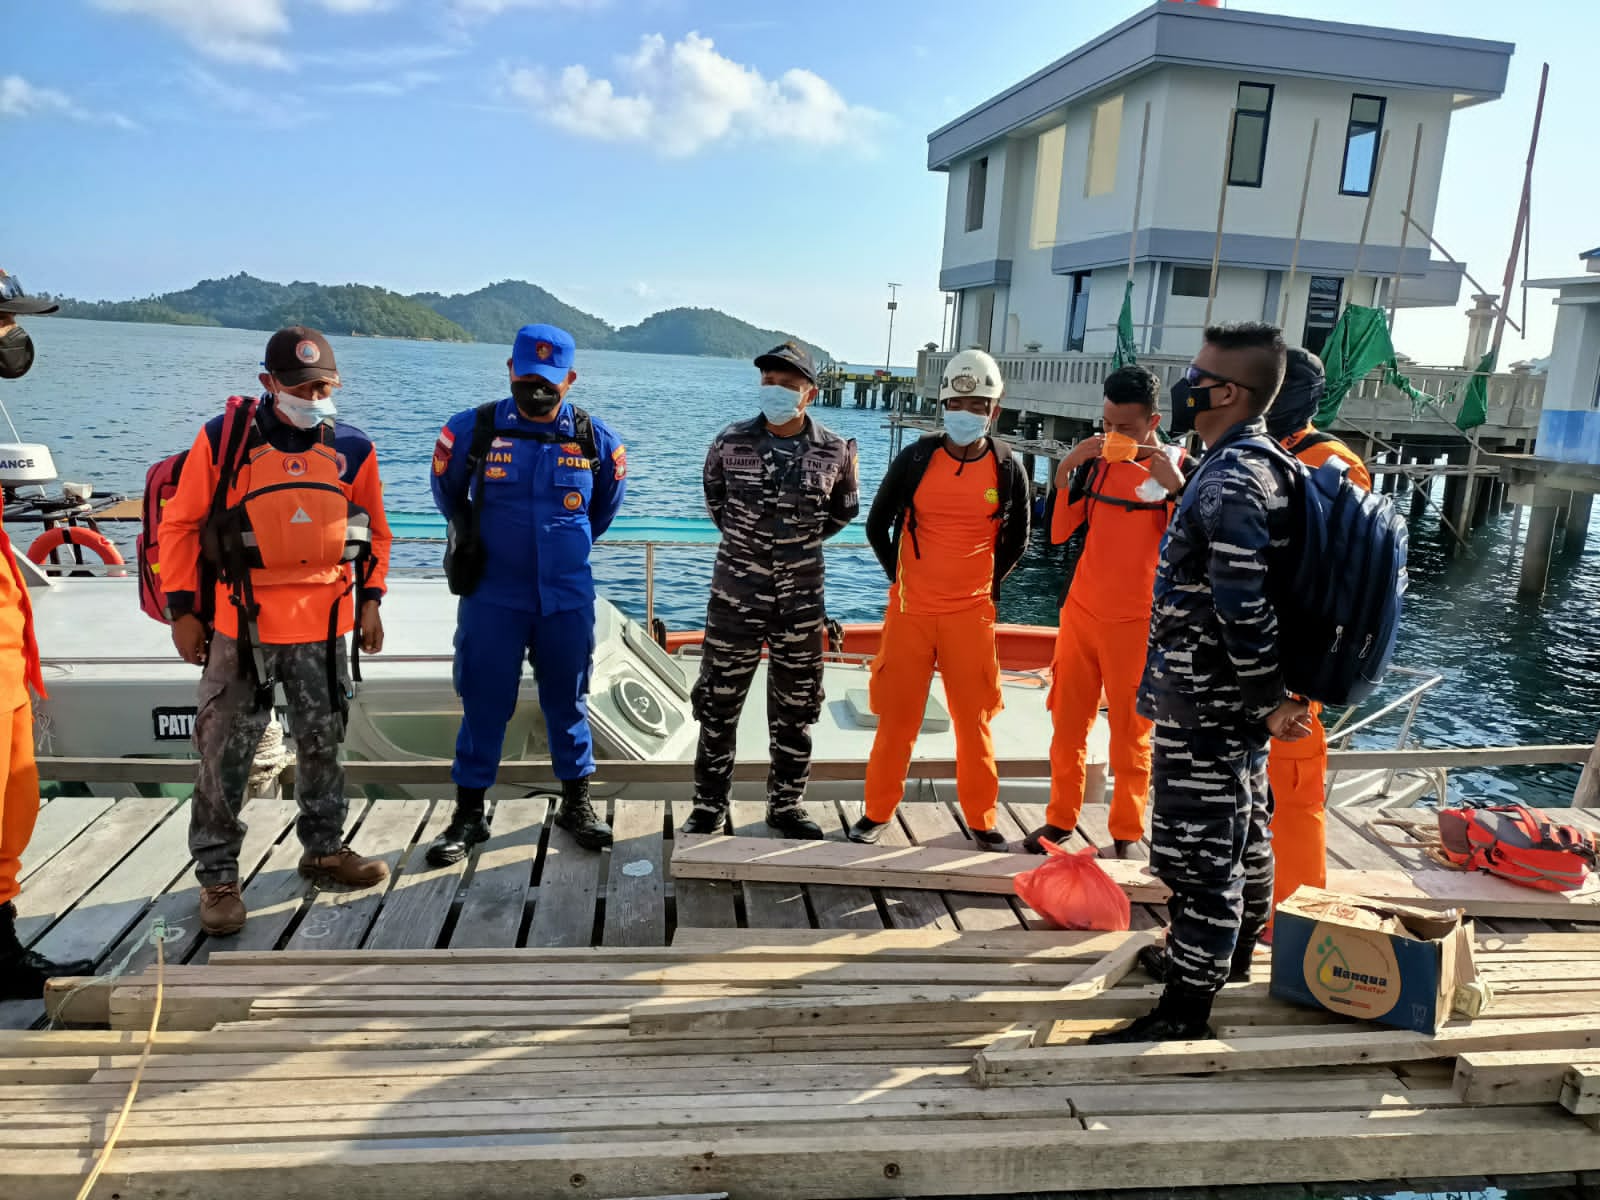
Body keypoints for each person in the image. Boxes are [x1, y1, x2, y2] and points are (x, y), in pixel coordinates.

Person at [1092, 322, 1310, 1044]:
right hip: (1229, 703)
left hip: (1209, 702)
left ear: (1229, 392)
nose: (1187, 384)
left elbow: (1241, 602)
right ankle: (1229, 959)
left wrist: (1266, 697)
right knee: (1245, 834)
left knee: (1199, 859)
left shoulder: (1232, 475)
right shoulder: (1262, 463)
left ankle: (1186, 1009)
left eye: (1198, 374)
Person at [161, 326, 394, 937]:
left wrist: (371, 601)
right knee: (224, 753)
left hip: (324, 624)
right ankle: (217, 877)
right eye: (300, 385)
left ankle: (323, 848)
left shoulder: (353, 447)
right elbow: (181, 527)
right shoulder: (224, 439)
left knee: (323, 742)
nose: (313, 395)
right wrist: (183, 611)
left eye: (323, 384)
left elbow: (375, 532)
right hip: (242, 624)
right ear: (269, 384)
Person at [427, 324, 627, 863]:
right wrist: (469, 534)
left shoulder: (595, 440)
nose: (539, 390)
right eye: (529, 378)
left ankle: (577, 804)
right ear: (511, 370)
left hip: (565, 599)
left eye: (551, 382)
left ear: (571, 380)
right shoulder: (473, 430)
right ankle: (469, 815)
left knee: (569, 700)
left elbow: (602, 512)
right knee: (485, 703)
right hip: (493, 597)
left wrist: (559, 551)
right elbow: (447, 493)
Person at [850, 349, 1031, 849]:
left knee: (974, 724)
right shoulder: (915, 458)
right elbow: (876, 524)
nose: (967, 413)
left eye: (978, 405)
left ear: (994, 411)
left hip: (971, 617)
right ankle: (876, 812)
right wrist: (902, 579)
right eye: (958, 402)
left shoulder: (1005, 465)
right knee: (897, 720)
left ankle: (982, 818)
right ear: (943, 403)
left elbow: (1018, 537)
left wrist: (989, 587)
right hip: (911, 613)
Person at [679, 341, 858, 839]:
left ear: (810, 393)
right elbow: (717, 502)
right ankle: (709, 806)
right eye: (769, 381)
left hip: (801, 603)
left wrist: (794, 548)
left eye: (788, 383)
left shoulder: (836, 449)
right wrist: (754, 549)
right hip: (735, 597)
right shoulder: (728, 442)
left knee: (797, 707)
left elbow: (842, 512)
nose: (776, 390)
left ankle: (786, 806)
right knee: (717, 704)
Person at [1026, 365, 1187, 859]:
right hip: (1081, 614)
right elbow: (1056, 533)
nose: (1115, 436)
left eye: (1127, 428)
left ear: (1154, 421)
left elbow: (1196, 551)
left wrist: (1177, 489)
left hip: (1137, 624)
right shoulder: (1095, 464)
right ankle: (1060, 819)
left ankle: (1126, 830)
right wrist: (1065, 469)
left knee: (1131, 735)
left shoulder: (1178, 467)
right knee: (1067, 726)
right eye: (1108, 425)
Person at [0, 271, 96, 997]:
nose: (13, 336)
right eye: (4, 321)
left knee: (13, 796)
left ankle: (1, 951)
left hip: (8, 646)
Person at [1263, 348, 1371, 911]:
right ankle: (1240, 907)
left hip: (1297, 659)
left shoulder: (1333, 463)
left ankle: (1294, 912)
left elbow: (1346, 577)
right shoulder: (1249, 450)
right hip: (1246, 651)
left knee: (1293, 792)